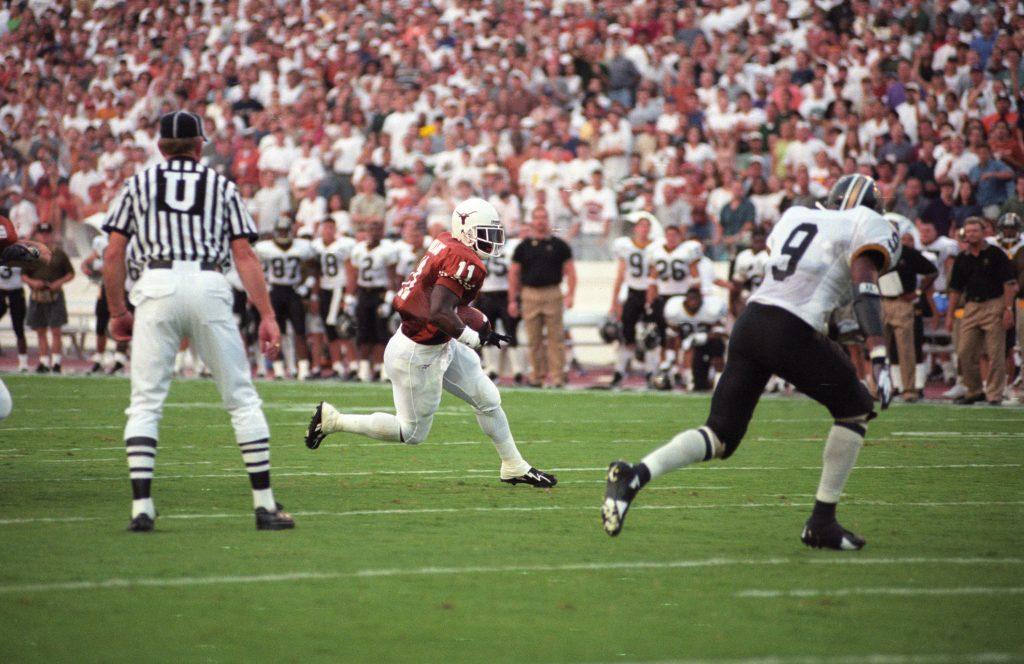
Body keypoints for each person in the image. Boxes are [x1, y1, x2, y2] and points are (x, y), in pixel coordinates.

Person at [603, 174, 900, 551]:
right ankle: (822, 521)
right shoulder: (868, 223)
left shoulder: (796, 215)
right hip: (790, 328)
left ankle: (634, 475)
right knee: (856, 408)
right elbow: (865, 284)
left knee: (720, 435)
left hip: (752, 322)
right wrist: (878, 352)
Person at [100, 110, 292, 532]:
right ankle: (263, 504)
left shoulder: (138, 184)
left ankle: (142, 508)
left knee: (146, 401)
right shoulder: (221, 186)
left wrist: (117, 311)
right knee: (241, 397)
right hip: (208, 282)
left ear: (159, 146)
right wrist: (267, 314)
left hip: (156, 283)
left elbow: (112, 254)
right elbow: (245, 255)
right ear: (199, 144)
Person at [304, 198, 556, 488]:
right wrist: (473, 337)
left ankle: (514, 465)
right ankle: (333, 420)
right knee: (411, 433)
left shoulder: (448, 243)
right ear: (465, 229)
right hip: (417, 352)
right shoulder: (464, 259)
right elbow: (439, 311)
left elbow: (449, 305)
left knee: (487, 398)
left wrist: (482, 326)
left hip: (438, 341)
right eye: (484, 232)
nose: (491, 240)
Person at [945, 217, 1019, 405]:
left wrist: (1008, 309)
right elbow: (955, 289)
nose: (971, 235)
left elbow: (1009, 283)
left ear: (984, 232)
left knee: (996, 352)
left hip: (994, 303)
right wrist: (949, 315)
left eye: (975, 231)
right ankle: (974, 389)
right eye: (968, 231)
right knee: (964, 351)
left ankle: (994, 394)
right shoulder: (963, 258)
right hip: (971, 306)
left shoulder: (995, 254)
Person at [508, 206, 576, 388]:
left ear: (548, 220)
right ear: (532, 221)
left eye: (543, 217)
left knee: (556, 339)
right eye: (537, 217)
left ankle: (557, 377)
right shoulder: (523, 247)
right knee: (533, 339)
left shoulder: (560, 246)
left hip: (553, 292)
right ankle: (536, 377)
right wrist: (512, 299)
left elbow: (571, 271)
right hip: (529, 293)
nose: (540, 221)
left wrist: (570, 294)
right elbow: (514, 274)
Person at [879, 218, 938, 402]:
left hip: (902, 302)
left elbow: (931, 271)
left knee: (906, 348)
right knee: (880, 349)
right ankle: (883, 387)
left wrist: (918, 291)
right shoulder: (878, 254)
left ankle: (909, 389)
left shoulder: (908, 253)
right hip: (880, 301)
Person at [255, 215, 317, 380]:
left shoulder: (302, 247)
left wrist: (307, 286)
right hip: (275, 291)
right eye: (280, 231)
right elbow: (257, 271)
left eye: (285, 231)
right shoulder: (264, 248)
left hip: (293, 291)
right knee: (277, 332)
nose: (282, 234)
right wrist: (264, 288)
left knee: (300, 331)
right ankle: (279, 369)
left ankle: (303, 369)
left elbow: (313, 267)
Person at [346, 220, 399, 381]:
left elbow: (392, 276)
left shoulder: (388, 249)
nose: (374, 232)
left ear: (382, 231)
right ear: (367, 231)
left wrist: (389, 297)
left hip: (380, 293)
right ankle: (363, 370)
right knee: (363, 331)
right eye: (371, 229)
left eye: (377, 229)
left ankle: (382, 369)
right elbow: (354, 275)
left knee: (382, 332)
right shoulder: (358, 249)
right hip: (363, 293)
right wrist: (349, 296)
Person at [608, 212, 655, 387]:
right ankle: (620, 372)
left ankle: (651, 373)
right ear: (636, 228)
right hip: (632, 293)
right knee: (626, 335)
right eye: (641, 226)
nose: (643, 230)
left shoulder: (655, 247)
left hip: (649, 293)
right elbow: (620, 275)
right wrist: (614, 301)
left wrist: (652, 298)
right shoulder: (626, 246)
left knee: (652, 335)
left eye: (646, 227)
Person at [21, 223, 74, 373]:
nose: (44, 236)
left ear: (51, 235)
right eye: (42, 233)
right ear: (38, 235)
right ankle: (43, 361)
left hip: (54, 294)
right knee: (40, 330)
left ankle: (56, 362)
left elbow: (70, 273)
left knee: (56, 330)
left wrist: (59, 282)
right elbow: (24, 275)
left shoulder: (59, 254)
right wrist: (33, 282)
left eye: (47, 233)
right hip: (37, 294)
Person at [311, 217, 357, 379]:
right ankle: (337, 365)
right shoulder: (316, 246)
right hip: (325, 289)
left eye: (331, 227)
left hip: (339, 288)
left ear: (335, 229)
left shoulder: (343, 245)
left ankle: (353, 365)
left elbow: (351, 270)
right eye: (325, 227)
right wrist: (315, 294)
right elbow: (315, 272)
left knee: (343, 328)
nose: (328, 231)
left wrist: (348, 294)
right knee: (329, 330)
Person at [661, 287, 729, 391]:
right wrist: (670, 358)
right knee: (699, 385)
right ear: (686, 299)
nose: (693, 302)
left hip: (710, 343)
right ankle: (689, 379)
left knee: (717, 345)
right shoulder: (676, 310)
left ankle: (720, 382)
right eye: (691, 299)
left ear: (701, 299)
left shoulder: (711, 309)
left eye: (695, 299)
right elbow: (672, 336)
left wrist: (704, 336)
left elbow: (722, 333)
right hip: (692, 347)